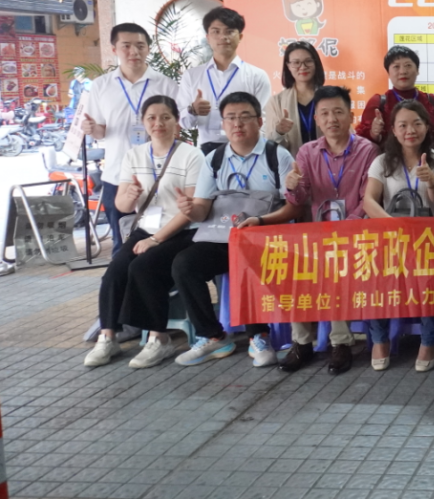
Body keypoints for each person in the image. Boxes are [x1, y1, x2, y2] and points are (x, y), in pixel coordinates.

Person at [171, 92, 301, 367]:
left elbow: (294, 208)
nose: (237, 124)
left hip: (266, 236)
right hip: (223, 236)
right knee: (184, 264)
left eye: (244, 117)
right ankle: (213, 336)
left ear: (260, 121)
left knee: (244, 255)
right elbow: (202, 210)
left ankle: (259, 336)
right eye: (230, 118)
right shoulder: (214, 159)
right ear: (222, 124)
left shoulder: (277, 155)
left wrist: (260, 222)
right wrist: (189, 209)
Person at [83, 96, 204, 368]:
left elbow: (191, 210)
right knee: (115, 270)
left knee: (144, 267)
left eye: (165, 117)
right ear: (143, 122)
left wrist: (155, 240)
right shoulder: (134, 155)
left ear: (176, 121)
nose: (158, 123)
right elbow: (122, 206)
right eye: (151, 118)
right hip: (146, 227)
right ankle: (108, 336)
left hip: (181, 231)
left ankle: (159, 338)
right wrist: (130, 195)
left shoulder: (191, 155)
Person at [278, 85, 378, 375]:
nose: (332, 119)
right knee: (293, 268)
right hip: (315, 236)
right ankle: (301, 343)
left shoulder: (368, 150)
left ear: (351, 115)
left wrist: (345, 229)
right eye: (324, 114)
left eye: (338, 112)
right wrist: (292, 187)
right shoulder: (307, 152)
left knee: (335, 266)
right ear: (317, 120)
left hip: (355, 235)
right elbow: (299, 199)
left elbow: (367, 199)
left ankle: (341, 343)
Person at [363, 100, 434, 372]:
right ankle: (380, 339)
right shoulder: (382, 161)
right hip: (391, 239)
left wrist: (431, 181)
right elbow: (369, 201)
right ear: (393, 130)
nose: (410, 130)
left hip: (430, 241)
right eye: (402, 125)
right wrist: (394, 227)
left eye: (416, 123)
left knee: (427, 278)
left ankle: (429, 340)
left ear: (427, 126)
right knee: (374, 275)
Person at [82, 23, 179, 253]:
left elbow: (177, 128)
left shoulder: (165, 84)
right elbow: (101, 132)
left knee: (157, 240)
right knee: (121, 242)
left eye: (140, 46)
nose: (134, 51)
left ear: (148, 49)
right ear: (114, 49)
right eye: (126, 46)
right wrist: (92, 129)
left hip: (158, 175)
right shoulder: (101, 85)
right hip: (117, 175)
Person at [177, 7, 273, 154]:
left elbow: (263, 121)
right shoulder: (192, 76)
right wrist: (193, 110)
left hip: (245, 149)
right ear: (208, 37)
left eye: (229, 31)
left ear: (240, 37)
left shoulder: (257, 75)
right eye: (216, 31)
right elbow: (183, 122)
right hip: (206, 151)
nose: (223, 37)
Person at [357, 45, 434, 152]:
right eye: (396, 67)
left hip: (429, 159)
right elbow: (363, 143)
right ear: (388, 73)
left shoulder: (432, 101)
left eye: (408, 65)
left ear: (417, 70)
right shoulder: (378, 102)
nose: (403, 71)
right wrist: (374, 133)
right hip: (390, 160)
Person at [264, 41, 325, 156]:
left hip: (328, 163)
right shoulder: (277, 102)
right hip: (293, 164)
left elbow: (346, 135)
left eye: (308, 61)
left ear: (315, 63)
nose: (303, 67)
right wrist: (279, 132)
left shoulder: (330, 97)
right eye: (296, 62)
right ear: (288, 66)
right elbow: (271, 146)